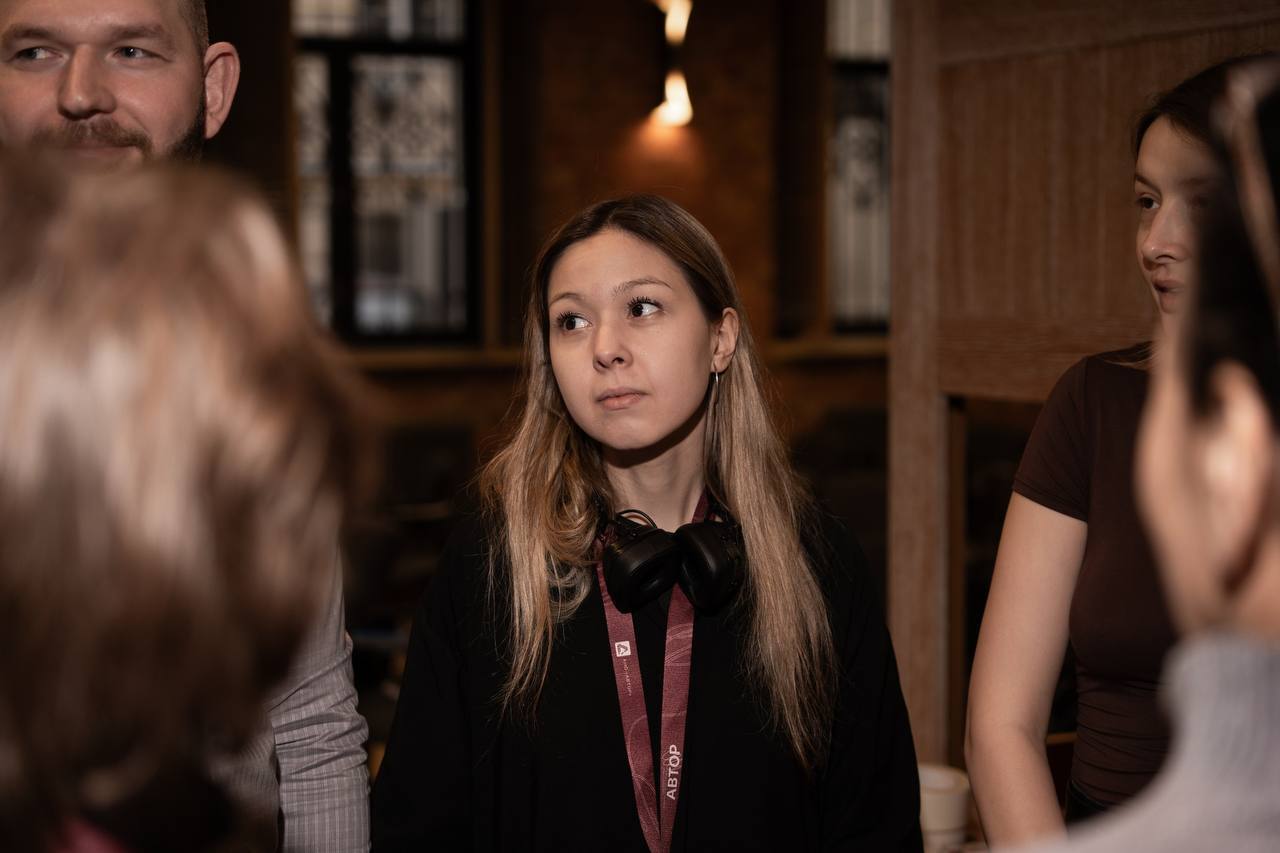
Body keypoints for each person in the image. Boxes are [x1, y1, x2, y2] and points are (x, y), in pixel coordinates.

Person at [369, 194, 922, 851]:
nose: (605, 348)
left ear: (720, 338)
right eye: (572, 320)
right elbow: (415, 828)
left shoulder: (820, 563)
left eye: (641, 307)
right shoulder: (487, 567)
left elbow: (876, 828)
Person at [0, 1, 372, 849]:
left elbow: (311, 727)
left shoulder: (260, 370)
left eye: (132, 50)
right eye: (34, 52)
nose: (81, 92)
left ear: (213, 89)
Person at [965, 57, 1253, 844]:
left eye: (1201, 203)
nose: (1155, 242)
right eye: (1147, 201)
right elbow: (1000, 725)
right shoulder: (1096, 401)